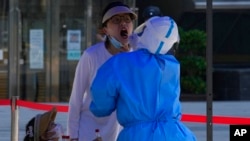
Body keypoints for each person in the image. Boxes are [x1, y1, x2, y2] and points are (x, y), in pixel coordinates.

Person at [89, 16, 197, 141]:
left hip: (138, 135)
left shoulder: (120, 62)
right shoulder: (172, 65)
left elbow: (101, 103)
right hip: (177, 135)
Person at [67, 1, 137, 141]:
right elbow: (76, 99)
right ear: (105, 29)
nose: (123, 24)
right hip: (90, 132)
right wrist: (72, 136)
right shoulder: (91, 55)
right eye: (116, 20)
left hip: (122, 133)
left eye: (127, 20)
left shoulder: (137, 57)